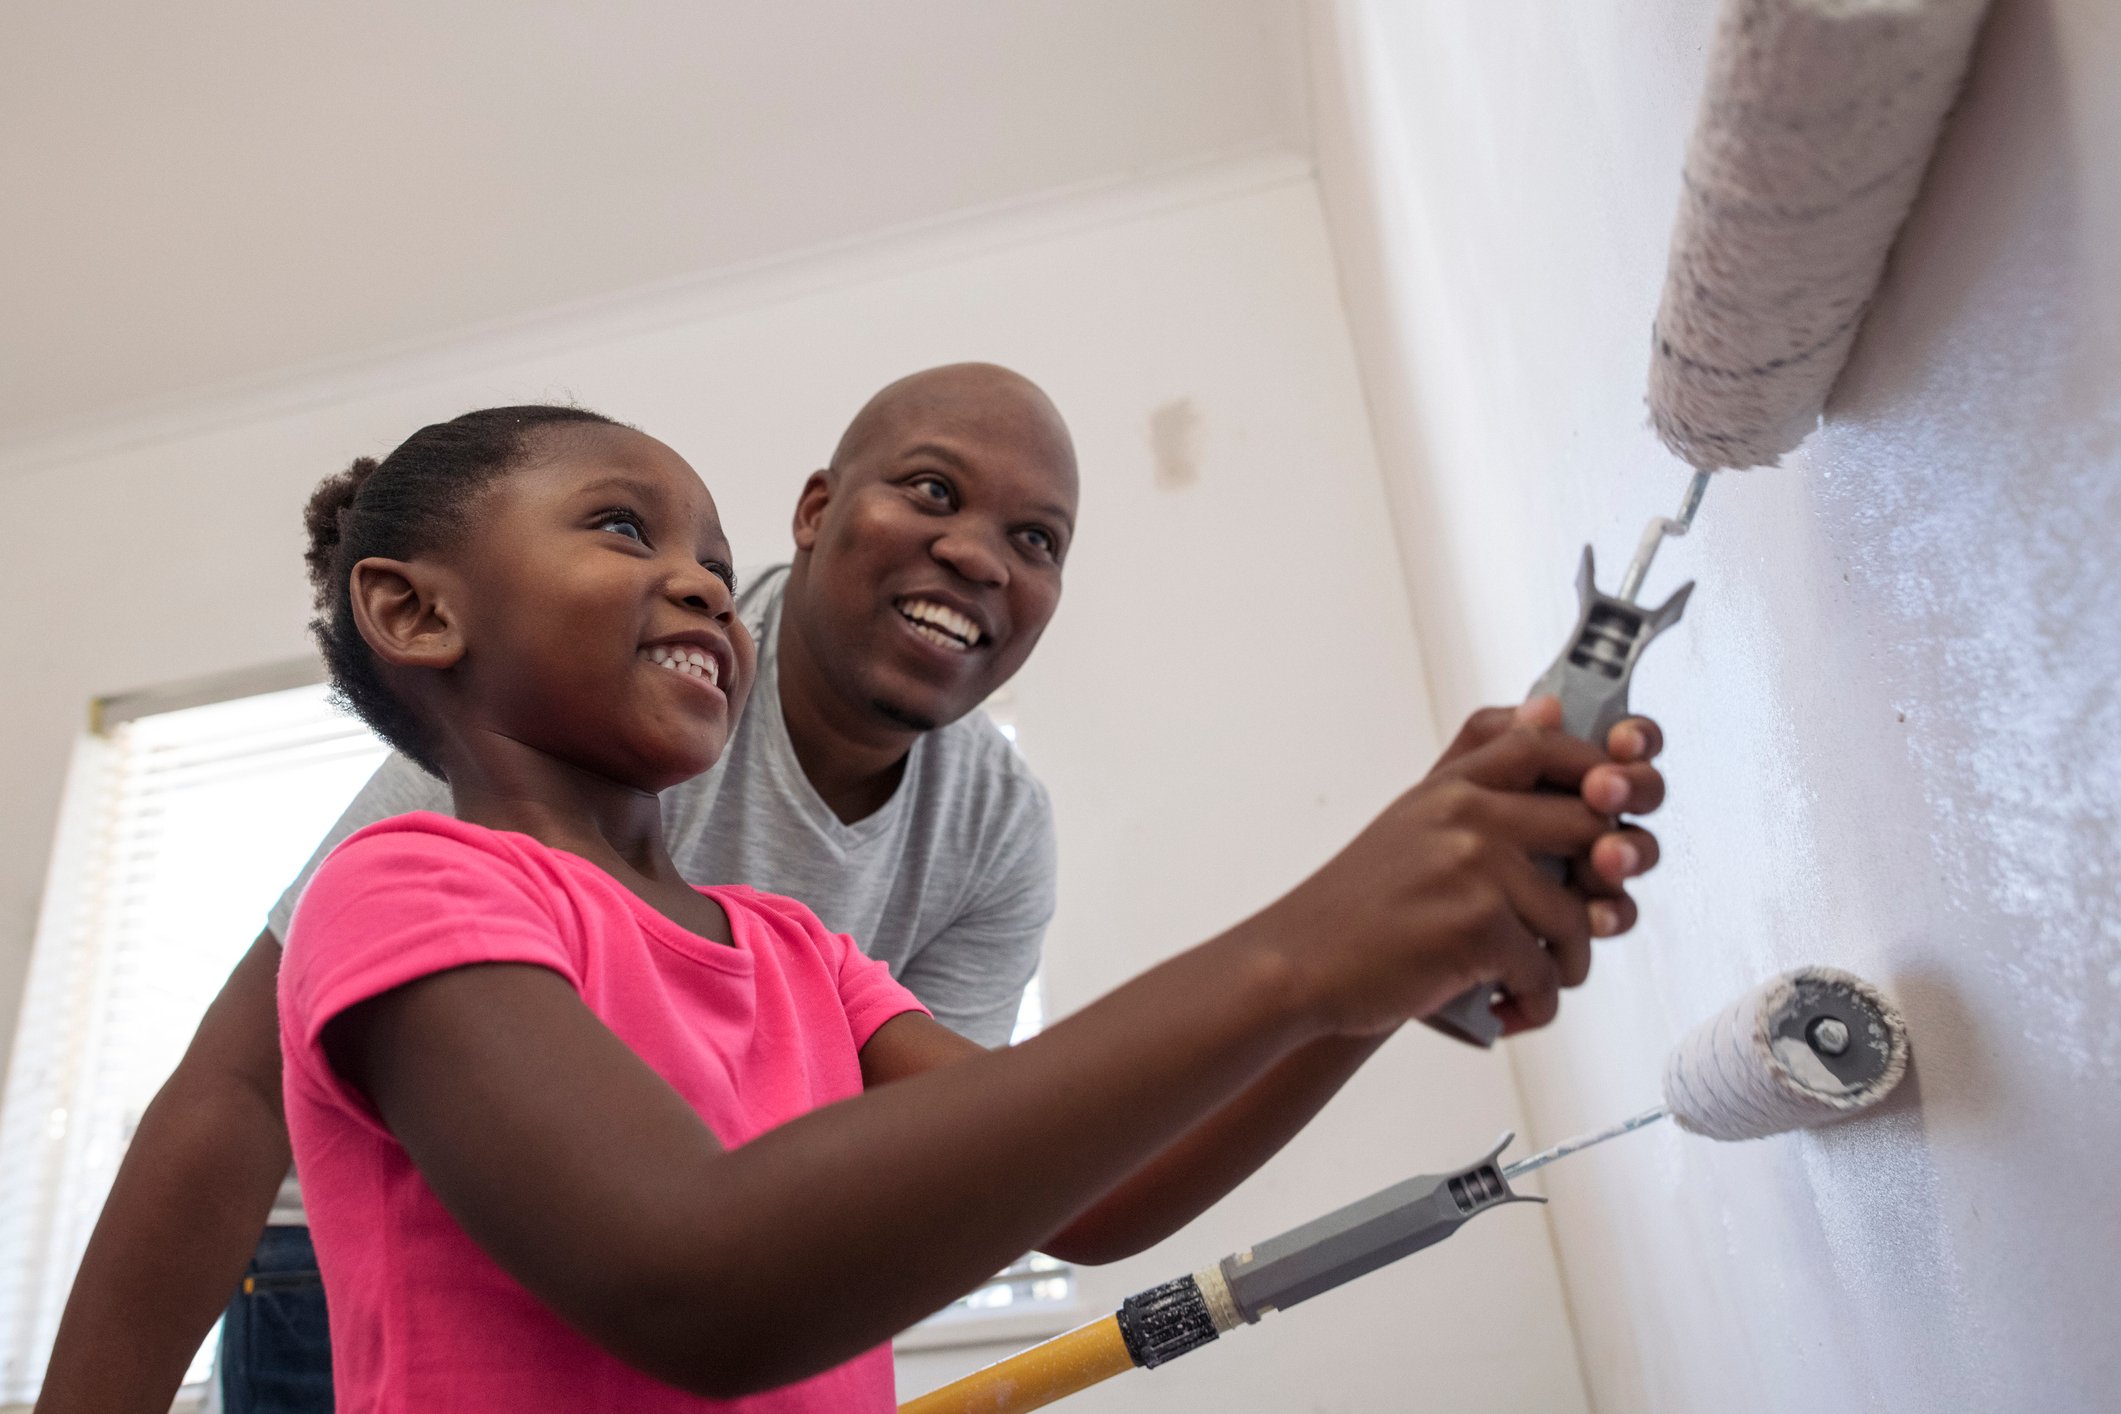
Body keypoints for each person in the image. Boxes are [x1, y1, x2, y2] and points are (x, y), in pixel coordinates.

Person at [281, 404, 1655, 1409]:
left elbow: (1091, 1189)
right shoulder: (408, 889)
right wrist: (1307, 950)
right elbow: (696, 1280)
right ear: (413, 612)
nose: (705, 576)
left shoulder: (799, 949)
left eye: (711, 546)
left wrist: (1380, 979)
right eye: (626, 528)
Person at [33, 365, 1082, 1413]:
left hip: (707, 1246)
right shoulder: (564, 693)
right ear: (818, 510)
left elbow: (956, 1152)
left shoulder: (980, 835)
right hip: (386, 1235)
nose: (976, 554)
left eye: (1037, 538)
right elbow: (240, 1087)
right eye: (934, 491)